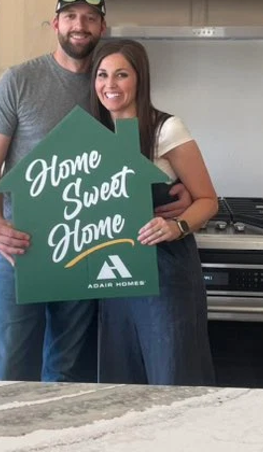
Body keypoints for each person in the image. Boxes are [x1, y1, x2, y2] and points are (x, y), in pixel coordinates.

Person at [0, 0, 192, 382]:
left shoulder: (110, 83)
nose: (81, 25)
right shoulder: (19, 80)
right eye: (71, 17)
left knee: (67, 369)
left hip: (84, 243)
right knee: (6, 367)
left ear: (102, 27)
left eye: (90, 18)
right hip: (20, 246)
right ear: (55, 23)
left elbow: (139, 150)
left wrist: (176, 188)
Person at [89, 38, 218, 386]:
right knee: (121, 384)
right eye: (102, 75)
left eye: (121, 75)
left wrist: (177, 226)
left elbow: (208, 200)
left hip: (166, 274)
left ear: (139, 79)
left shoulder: (166, 129)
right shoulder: (92, 136)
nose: (110, 85)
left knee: (171, 376)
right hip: (114, 274)